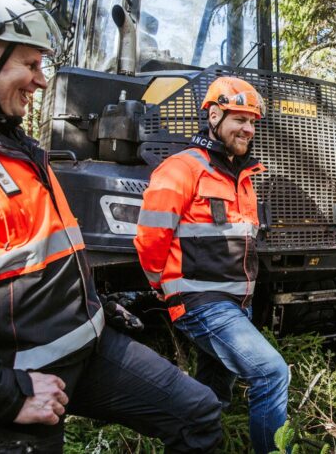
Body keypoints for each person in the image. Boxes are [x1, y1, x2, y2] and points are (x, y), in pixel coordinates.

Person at [0, 0, 221, 453]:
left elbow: (49, 253)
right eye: (30, 65)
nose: (41, 80)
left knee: (199, 415)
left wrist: (92, 303)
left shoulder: (19, 148)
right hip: (11, 385)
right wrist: (7, 396)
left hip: (88, 347)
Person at [135, 76, 290, 454]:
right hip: (201, 302)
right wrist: (164, 286)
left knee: (212, 395)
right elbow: (150, 237)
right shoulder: (181, 168)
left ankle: (202, 443)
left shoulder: (244, 177)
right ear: (215, 115)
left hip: (236, 305)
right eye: (240, 119)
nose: (249, 129)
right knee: (271, 373)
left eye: (253, 122)